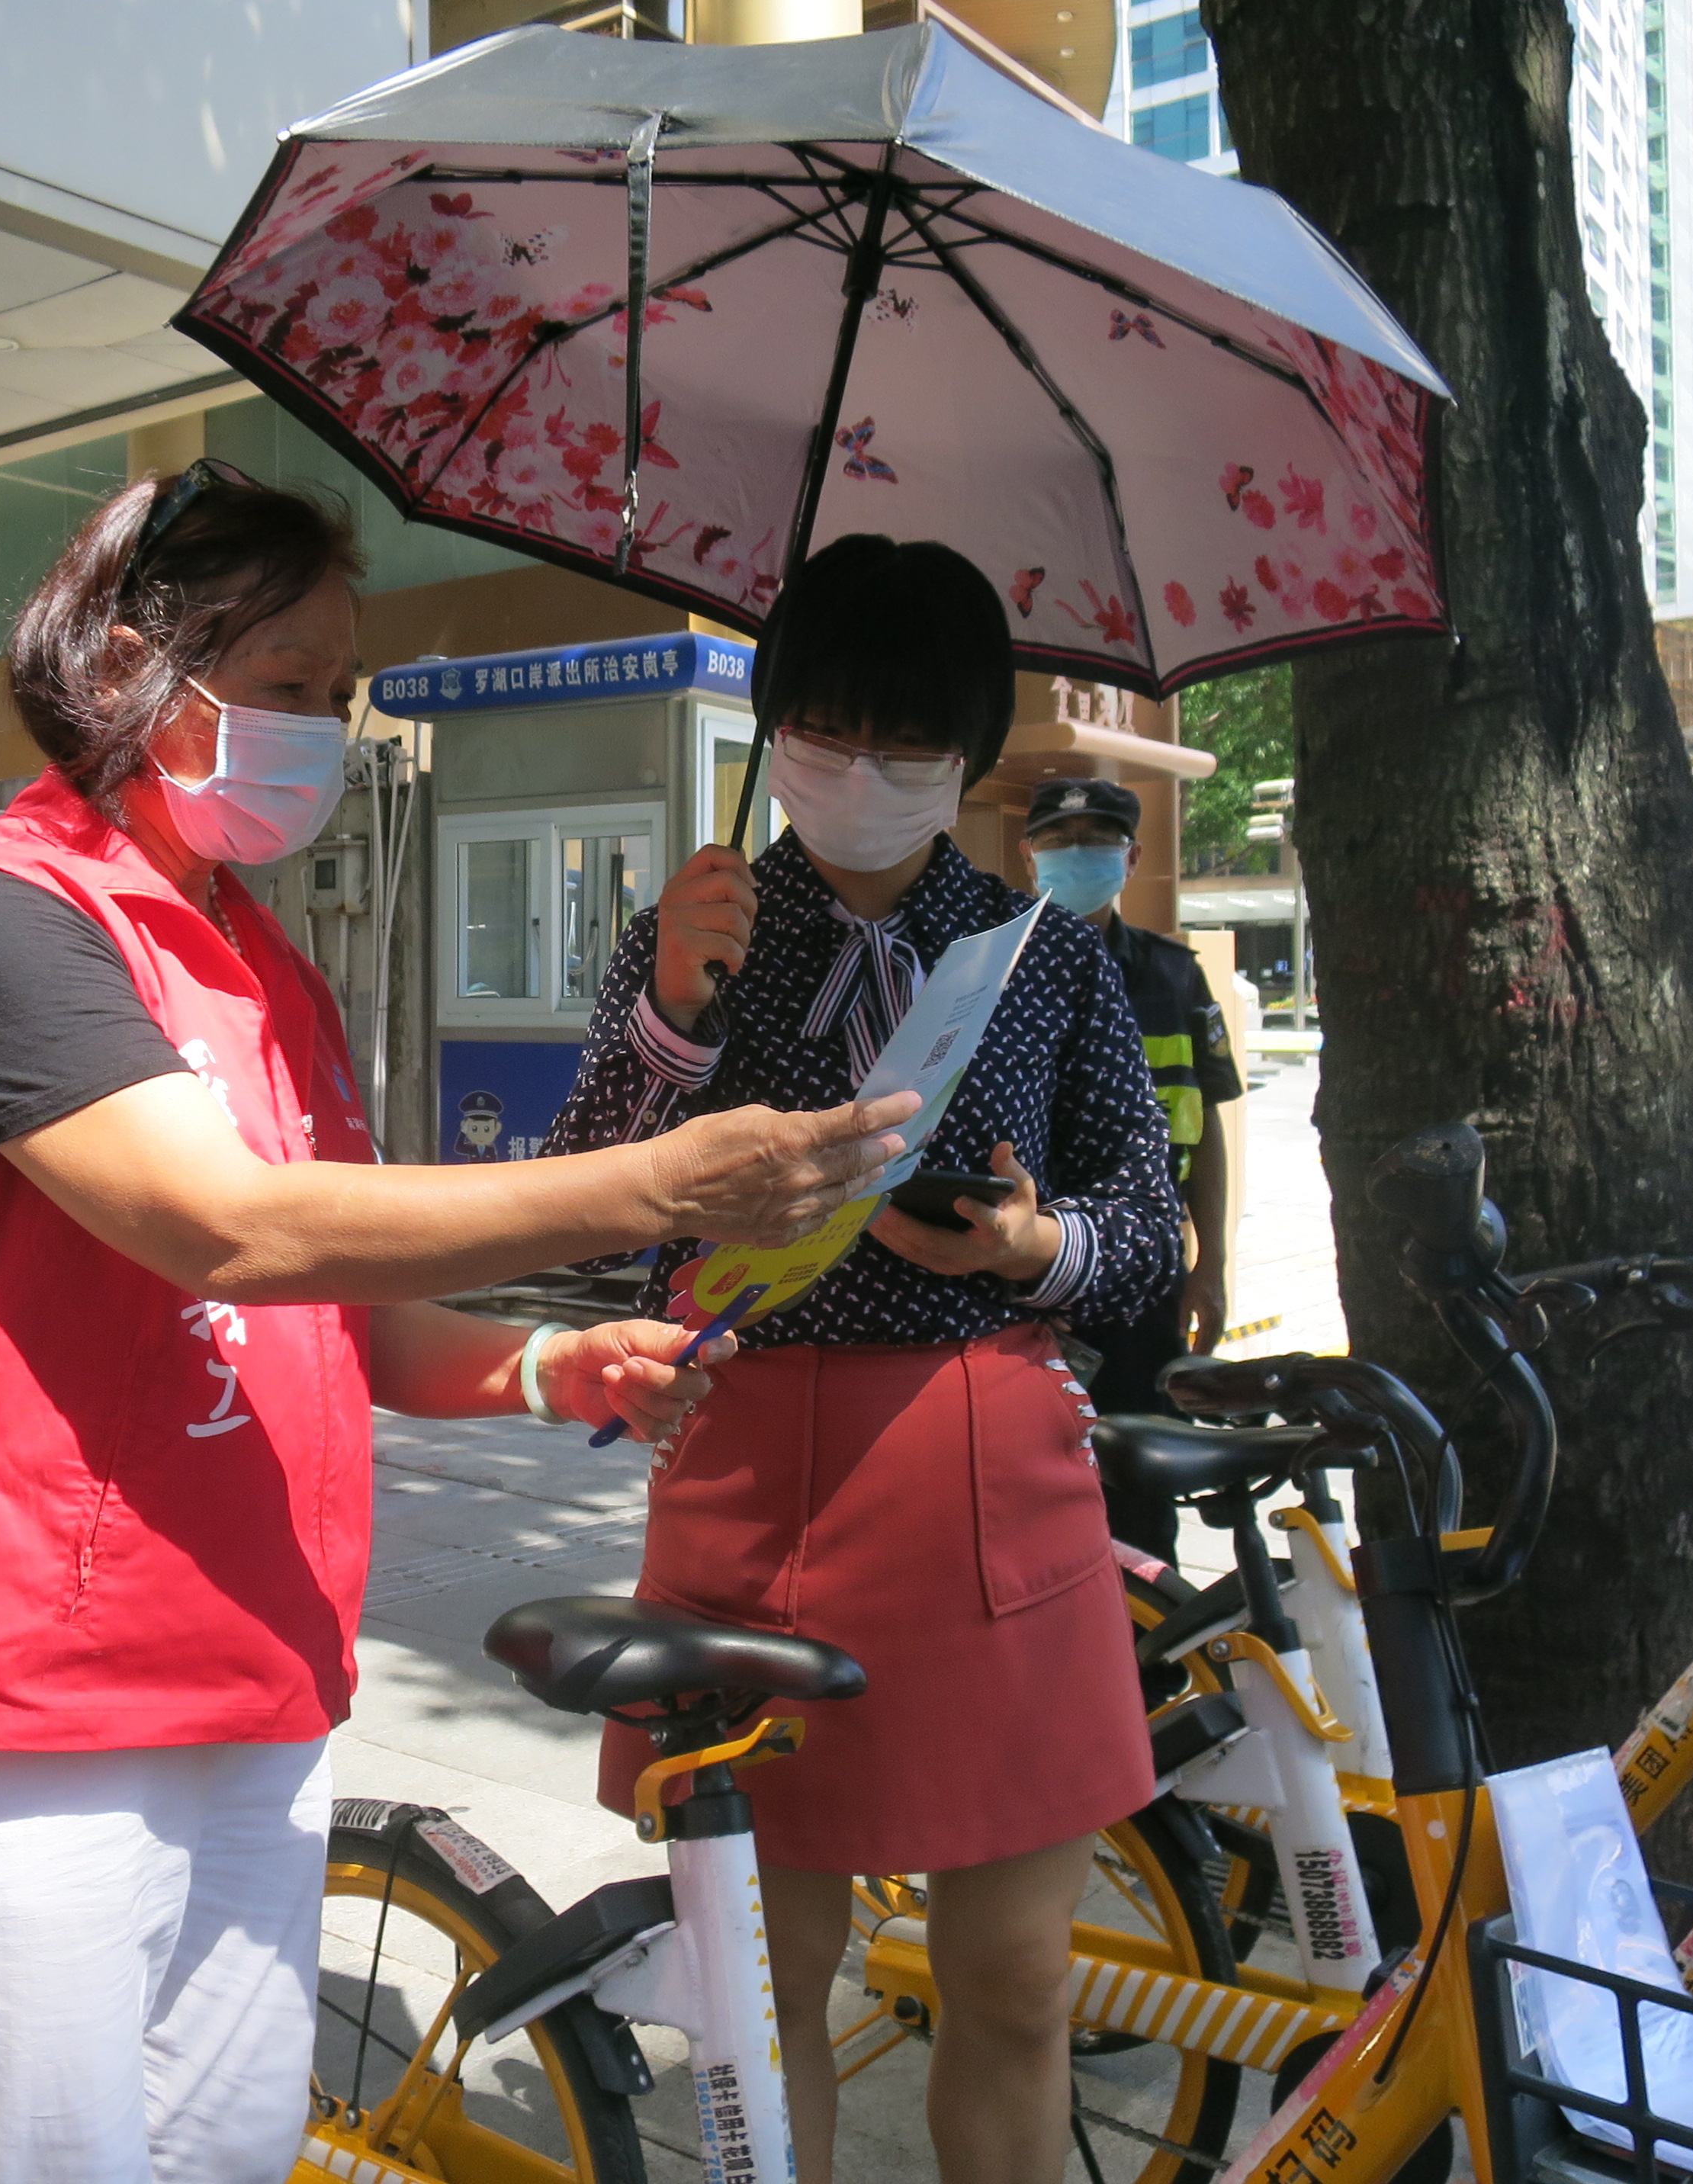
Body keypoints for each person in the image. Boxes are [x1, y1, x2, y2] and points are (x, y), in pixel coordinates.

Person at [0, 461, 916, 2184]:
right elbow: (223, 1225)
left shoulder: (269, 969)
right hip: (42, 1703)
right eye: (287, 684)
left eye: (341, 692)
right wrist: (654, 1184)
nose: (324, 730)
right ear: (130, 664)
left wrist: (545, 1362)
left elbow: (347, 1306)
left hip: (260, 1674)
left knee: (230, 2150)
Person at [545, 533, 1185, 2184]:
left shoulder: (1047, 954)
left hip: (988, 1467)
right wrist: (670, 1012)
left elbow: (1149, 1229)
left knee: (1018, 1976)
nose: (861, 772)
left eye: (907, 742)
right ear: (773, 729)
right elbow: (576, 1221)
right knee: (765, 1984)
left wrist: (1032, 1247)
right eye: (824, 731)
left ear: (969, 756)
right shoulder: (694, 933)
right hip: (746, 1466)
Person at [1015, 777, 1246, 1564]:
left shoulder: (1173, 977)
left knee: (1143, 1504)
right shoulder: (994, 969)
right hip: (1025, 1281)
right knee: (1032, 1501)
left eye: (1096, 839)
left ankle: (1150, 1642)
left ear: (1132, 856)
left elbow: (1202, 1128)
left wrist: (1211, 1263)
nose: (1076, 853)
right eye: (1058, 839)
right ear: (1029, 855)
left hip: (1144, 1282)